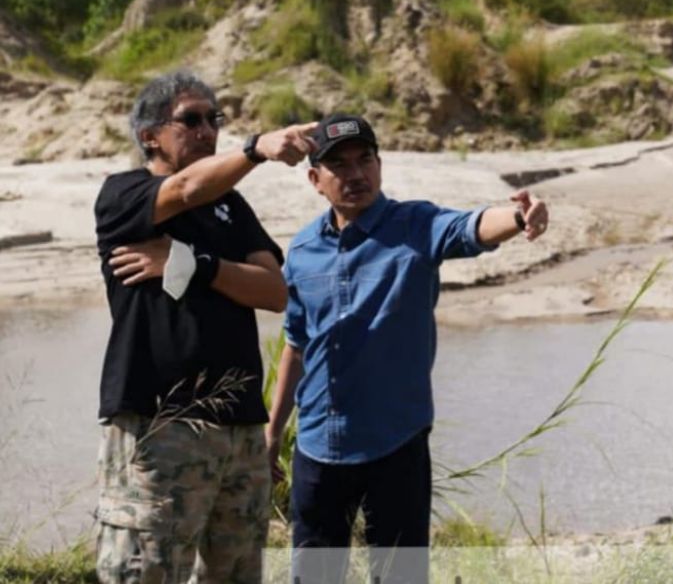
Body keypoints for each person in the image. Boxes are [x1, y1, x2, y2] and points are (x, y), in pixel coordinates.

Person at [266, 114, 551, 583]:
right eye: (339, 165)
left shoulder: (414, 225)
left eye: (365, 160)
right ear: (316, 180)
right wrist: (274, 433)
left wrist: (519, 216)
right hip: (318, 446)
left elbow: (468, 227)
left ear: (380, 165)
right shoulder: (301, 251)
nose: (355, 174)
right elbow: (296, 343)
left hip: (394, 444)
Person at [92, 69, 318, 584]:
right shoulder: (125, 194)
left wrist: (194, 263)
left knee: (237, 572)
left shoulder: (229, 206)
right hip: (159, 419)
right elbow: (187, 186)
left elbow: (274, 291)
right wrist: (256, 149)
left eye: (213, 120)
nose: (206, 131)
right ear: (150, 135)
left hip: (238, 426)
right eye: (190, 120)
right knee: (146, 569)